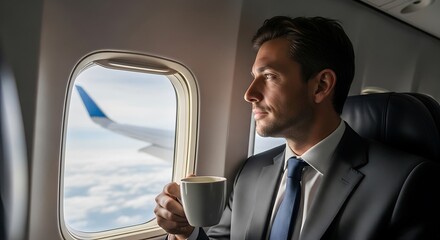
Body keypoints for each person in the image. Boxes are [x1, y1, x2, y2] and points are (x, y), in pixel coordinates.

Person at [154, 16, 440, 240]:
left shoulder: (407, 183)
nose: (249, 93)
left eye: (269, 76)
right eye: (254, 77)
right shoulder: (250, 172)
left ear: (321, 86)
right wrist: (185, 232)